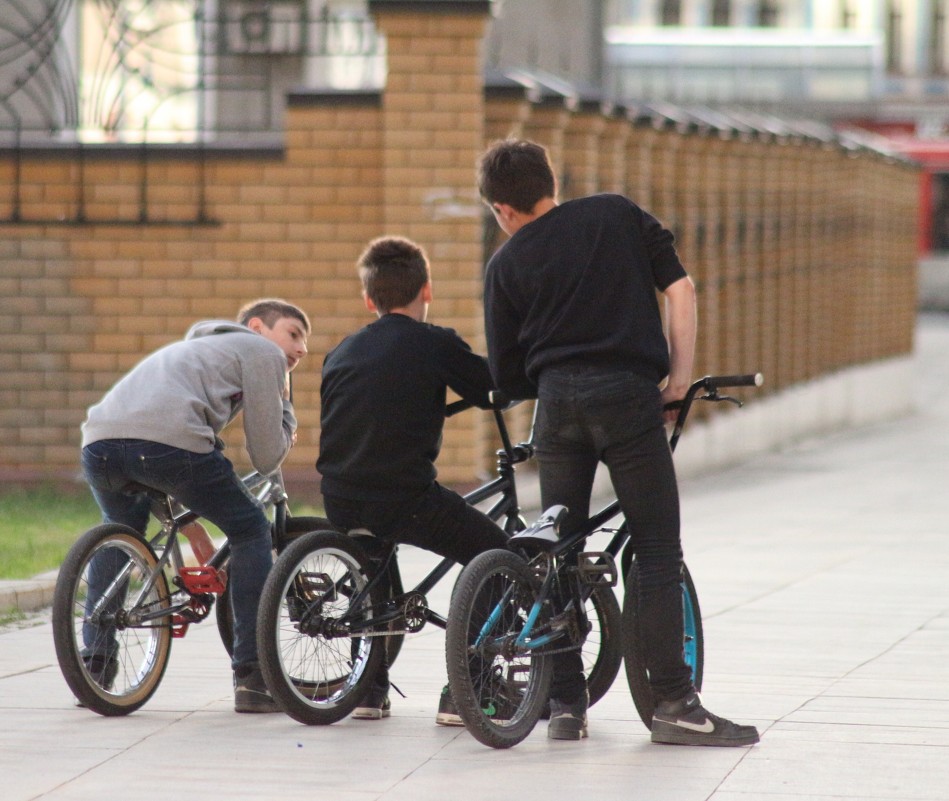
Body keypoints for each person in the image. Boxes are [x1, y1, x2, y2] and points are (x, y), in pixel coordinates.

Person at [478, 138, 759, 746]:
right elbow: (680, 290)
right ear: (549, 181)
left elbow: (507, 376)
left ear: (501, 208)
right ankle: (676, 705)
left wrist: (554, 373)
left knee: (561, 547)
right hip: (628, 398)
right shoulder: (615, 212)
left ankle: (565, 704)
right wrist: (678, 383)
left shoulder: (504, 265)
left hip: (557, 409)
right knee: (657, 550)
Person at [79, 298, 310, 713]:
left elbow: (149, 438)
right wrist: (286, 411)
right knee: (251, 530)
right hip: (166, 447)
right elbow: (265, 455)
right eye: (293, 334)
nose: (301, 349)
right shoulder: (261, 352)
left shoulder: (190, 350)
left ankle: (95, 665)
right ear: (256, 327)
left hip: (99, 443)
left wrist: (193, 528)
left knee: (121, 535)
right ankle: (254, 676)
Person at [317, 235, 509, 722]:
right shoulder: (434, 342)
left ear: (368, 298)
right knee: (496, 554)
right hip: (405, 498)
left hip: (339, 497)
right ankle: (469, 688)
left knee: (376, 568)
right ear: (427, 290)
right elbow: (493, 389)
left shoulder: (341, 350)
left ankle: (368, 691)